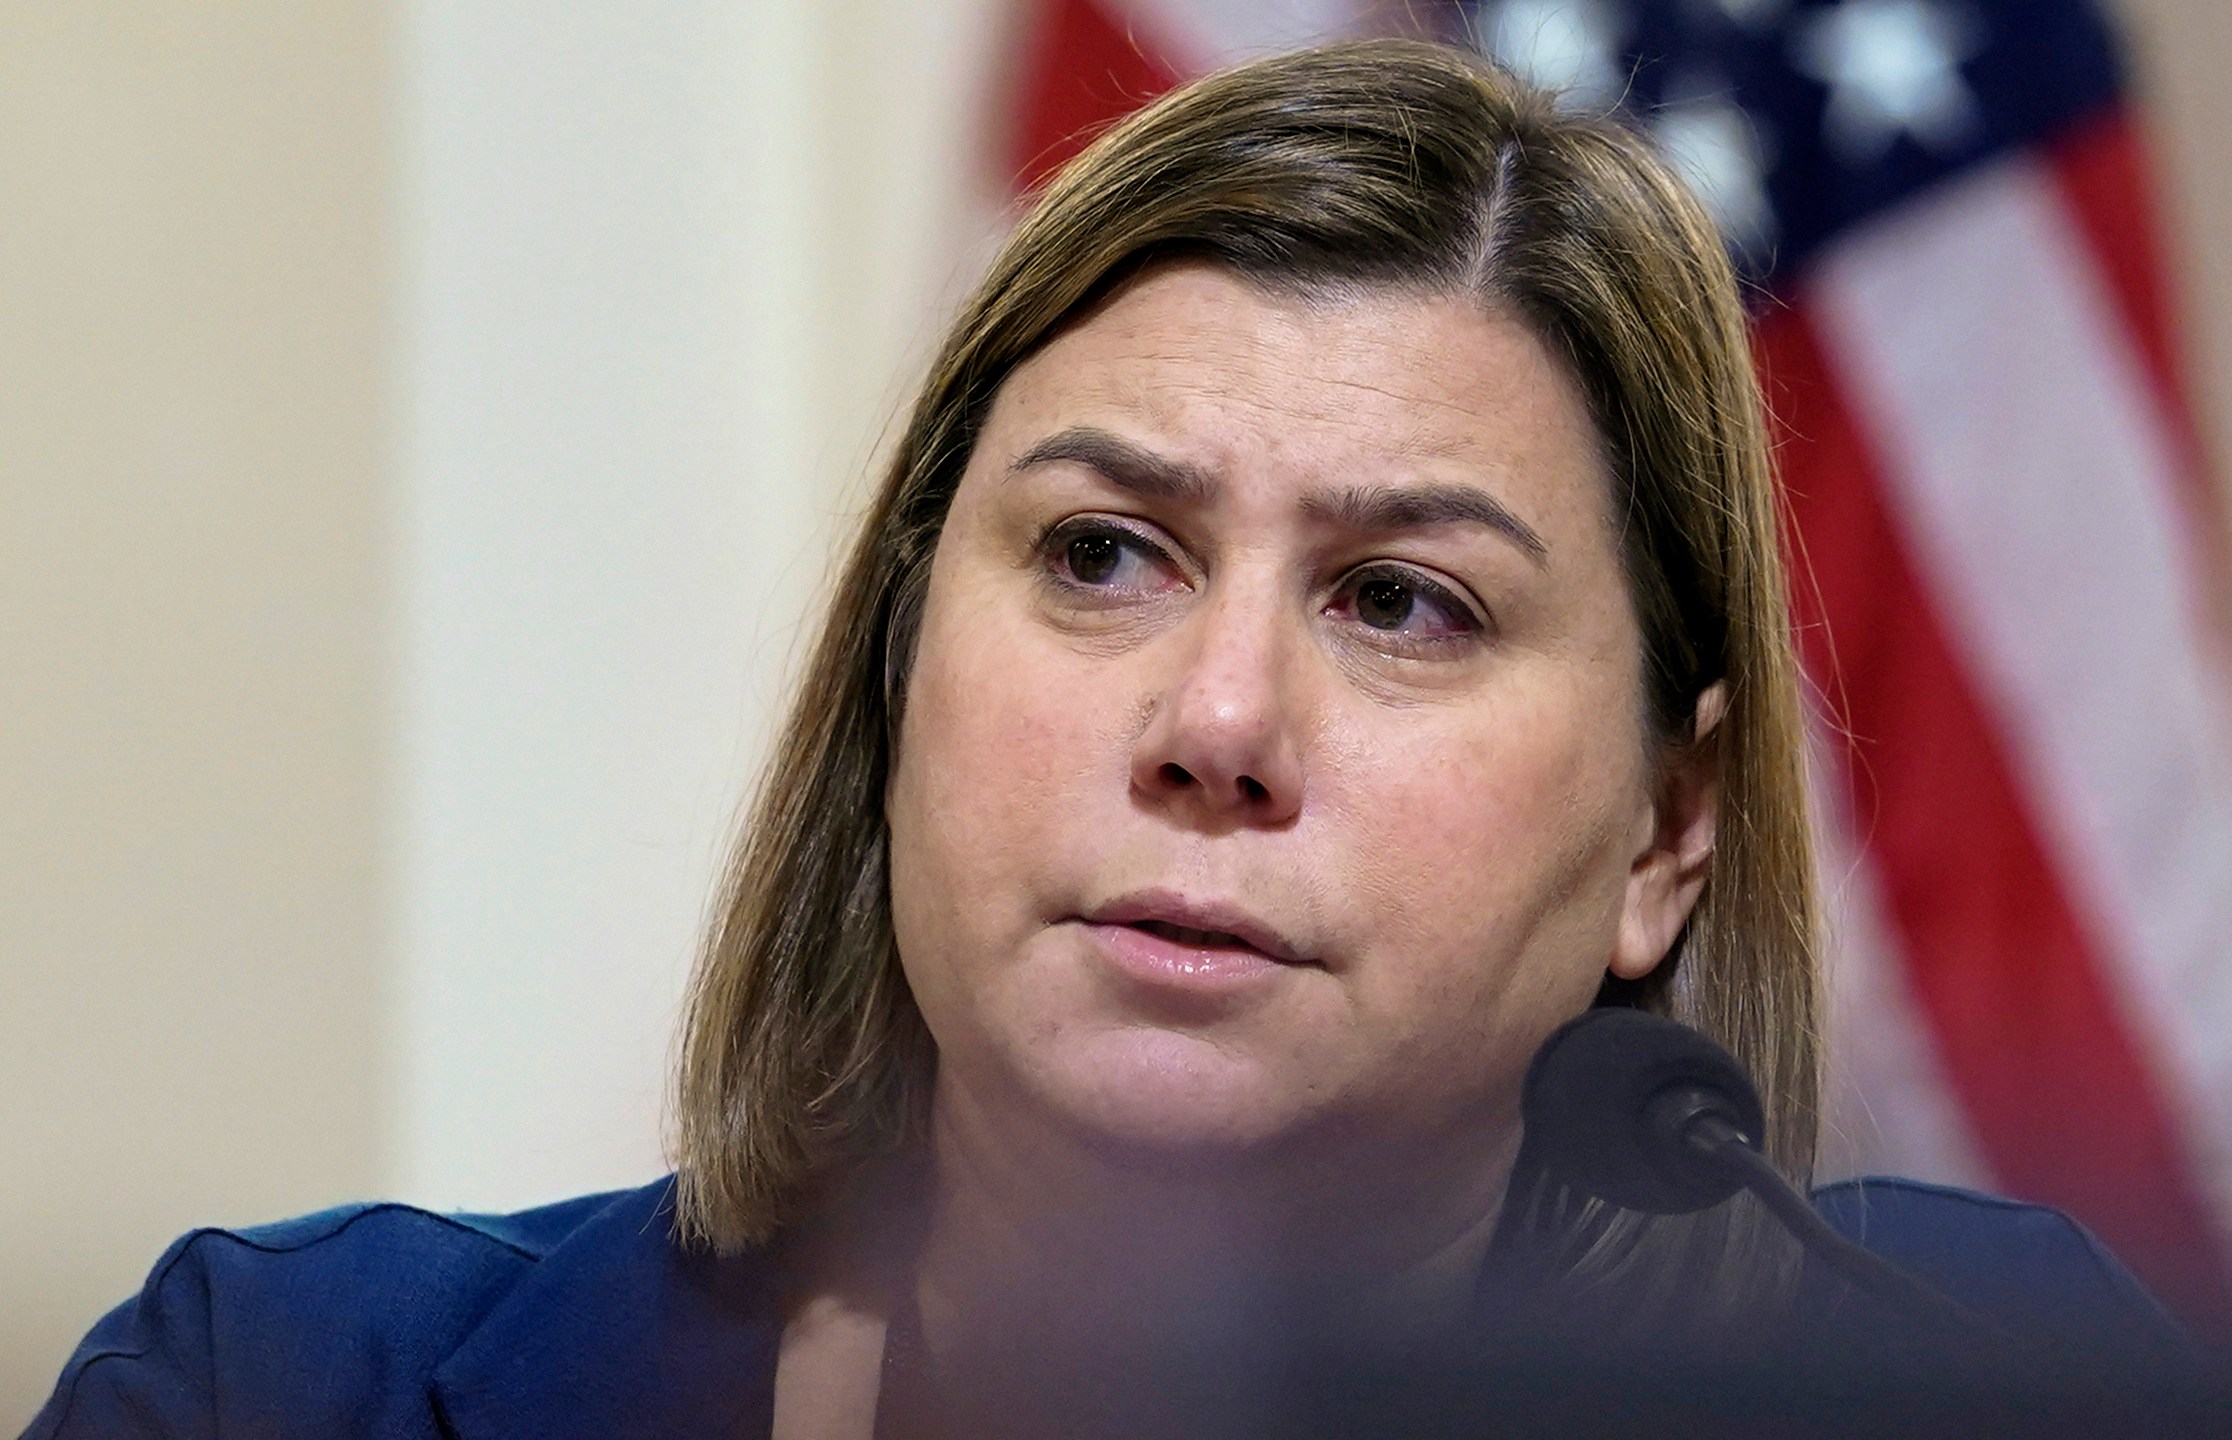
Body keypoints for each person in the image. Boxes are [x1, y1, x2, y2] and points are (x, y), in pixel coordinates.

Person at [24, 37, 2200, 1440]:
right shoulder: (279, 1396)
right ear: (898, 668)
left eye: (1403, 602)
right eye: (1100, 556)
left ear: (1669, 828)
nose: (1218, 721)